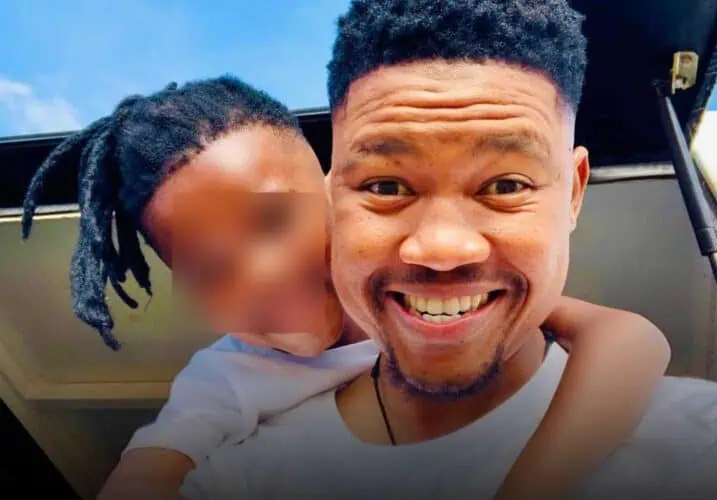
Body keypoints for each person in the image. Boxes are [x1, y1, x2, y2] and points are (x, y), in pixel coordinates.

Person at [178, 1, 717, 500]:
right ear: (333, 200)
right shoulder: (239, 480)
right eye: (386, 186)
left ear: (573, 194)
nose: (442, 248)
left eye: (506, 184)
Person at [22, 76, 669, 500]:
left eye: (274, 219)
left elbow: (631, 340)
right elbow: (149, 470)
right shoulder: (226, 376)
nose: (262, 273)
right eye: (212, 269)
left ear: (339, 191)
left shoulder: (420, 286)